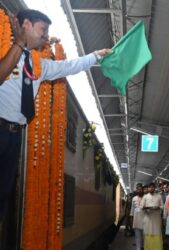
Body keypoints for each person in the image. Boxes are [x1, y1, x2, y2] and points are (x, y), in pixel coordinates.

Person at [0, 9, 110, 222]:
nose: (45, 35)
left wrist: (95, 56)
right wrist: (19, 44)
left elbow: (69, 66)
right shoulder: (4, 47)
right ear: (25, 26)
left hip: (14, 136)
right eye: (43, 29)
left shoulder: (38, 64)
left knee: (2, 195)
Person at [141, 182, 164, 250]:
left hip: (156, 219)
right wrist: (145, 208)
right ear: (148, 188)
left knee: (157, 233)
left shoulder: (159, 196)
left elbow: (162, 206)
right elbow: (141, 206)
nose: (151, 188)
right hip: (148, 218)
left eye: (153, 187)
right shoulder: (145, 197)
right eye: (150, 187)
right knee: (147, 233)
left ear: (154, 188)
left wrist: (158, 208)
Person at [131, 185, 144, 250]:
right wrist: (131, 219)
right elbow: (132, 210)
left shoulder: (145, 198)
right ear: (136, 190)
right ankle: (138, 248)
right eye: (138, 189)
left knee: (144, 236)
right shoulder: (134, 198)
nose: (139, 190)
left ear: (143, 190)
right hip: (136, 220)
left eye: (141, 189)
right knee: (137, 236)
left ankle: (143, 247)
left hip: (144, 221)